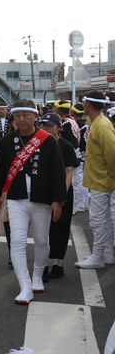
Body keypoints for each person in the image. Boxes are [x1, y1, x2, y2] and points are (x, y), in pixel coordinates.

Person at [0, 99, 66, 304]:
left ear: (35, 116)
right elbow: (1, 169)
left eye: (25, 115)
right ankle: (24, 286)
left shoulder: (47, 140)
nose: (21, 119)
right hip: (16, 198)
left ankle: (37, 276)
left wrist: (58, 200)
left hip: (42, 199)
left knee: (42, 240)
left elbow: (58, 172)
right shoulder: (8, 140)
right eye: (17, 116)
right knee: (17, 241)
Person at [74, 91, 115, 268]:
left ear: (88, 104)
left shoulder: (102, 125)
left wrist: (111, 175)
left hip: (102, 179)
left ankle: (98, 255)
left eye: (84, 103)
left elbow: (112, 153)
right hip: (101, 179)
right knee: (105, 219)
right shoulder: (97, 122)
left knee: (98, 219)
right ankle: (107, 253)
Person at [38, 113, 78, 280]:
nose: (45, 128)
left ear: (59, 128)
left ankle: (58, 264)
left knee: (60, 228)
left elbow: (69, 172)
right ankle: (42, 265)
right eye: (43, 125)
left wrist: (61, 195)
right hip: (43, 192)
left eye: (50, 125)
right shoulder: (38, 144)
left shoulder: (65, 146)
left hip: (62, 192)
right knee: (42, 229)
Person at [72, 103, 89, 214]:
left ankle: (81, 204)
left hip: (80, 153)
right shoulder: (86, 124)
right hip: (85, 152)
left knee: (78, 181)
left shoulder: (76, 125)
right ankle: (85, 203)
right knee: (83, 179)